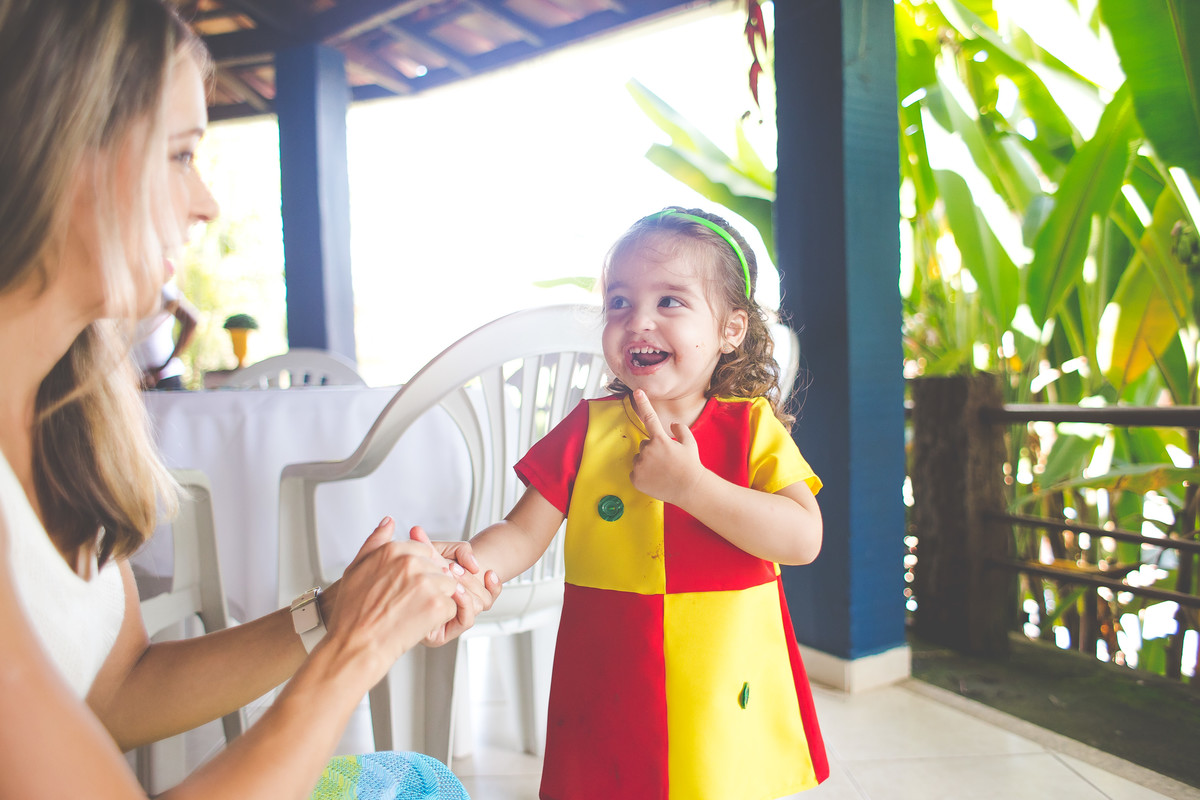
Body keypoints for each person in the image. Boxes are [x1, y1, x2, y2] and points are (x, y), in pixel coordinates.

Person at [0, 2, 500, 797]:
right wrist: (357, 649)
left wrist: (334, 610)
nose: (205, 203)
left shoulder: (64, 424)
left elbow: (115, 689)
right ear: (57, 152)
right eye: (180, 155)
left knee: (419, 782)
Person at [433, 207, 830, 800]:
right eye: (619, 301)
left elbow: (802, 539)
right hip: (610, 668)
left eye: (670, 301)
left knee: (715, 777)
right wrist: (471, 565)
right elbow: (521, 533)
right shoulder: (588, 428)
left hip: (722, 674)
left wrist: (692, 487)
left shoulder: (752, 429)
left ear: (731, 330)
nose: (637, 320)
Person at [133, 276, 199, 390]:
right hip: (131, 380)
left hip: (163, 378)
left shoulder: (160, 288)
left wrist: (164, 366)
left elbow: (191, 321)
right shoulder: (117, 289)